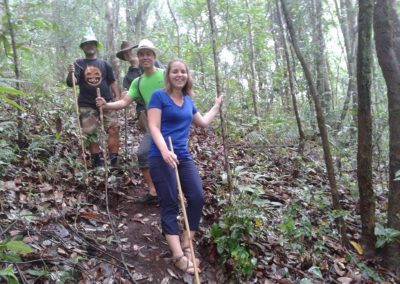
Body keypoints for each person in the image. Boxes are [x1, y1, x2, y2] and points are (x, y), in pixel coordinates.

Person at [147, 59, 223, 274]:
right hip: (161, 154)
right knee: (170, 201)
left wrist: (216, 107)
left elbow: (203, 122)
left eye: (183, 72)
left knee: (197, 197)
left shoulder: (188, 100)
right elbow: (153, 126)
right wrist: (164, 150)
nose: (179, 75)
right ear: (168, 75)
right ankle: (178, 255)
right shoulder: (159, 96)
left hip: (183, 155)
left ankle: (187, 242)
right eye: (175, 71)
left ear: (187, 76)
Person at [96, 39, 164, 204]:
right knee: (143, 154)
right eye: (142, 54)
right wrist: (107, 104)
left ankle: (177, 192)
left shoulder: (166, 74)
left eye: (148, 54)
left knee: (173, 157)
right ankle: (153, 192)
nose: (145, 57)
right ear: (138, 57)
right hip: (154, 125)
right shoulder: (136, 81)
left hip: (173, 124)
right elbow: (124, 102)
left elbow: (183, 92)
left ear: (154, 56)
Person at [66, 30, 121, 167]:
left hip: (106, 102)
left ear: (96, 46)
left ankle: (114, 159)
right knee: (91, 132)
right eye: (86, 44)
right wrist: (70, 72)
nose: (89, 46)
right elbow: (71, 83)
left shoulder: (105, 64)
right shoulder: (79, 63)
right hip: (86, 104)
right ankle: (97, 160)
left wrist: (118, 99)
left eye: (92, 44)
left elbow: (112, 82)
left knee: (113, 129)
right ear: (82, 47)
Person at [116, 41, 164, 133]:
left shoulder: (153, 63)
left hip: (164, 108)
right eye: (125, 53)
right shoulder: (128, 77)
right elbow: (129, 98)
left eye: (129, 51)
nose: (127, 54)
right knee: (152, 139)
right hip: (143, 110)